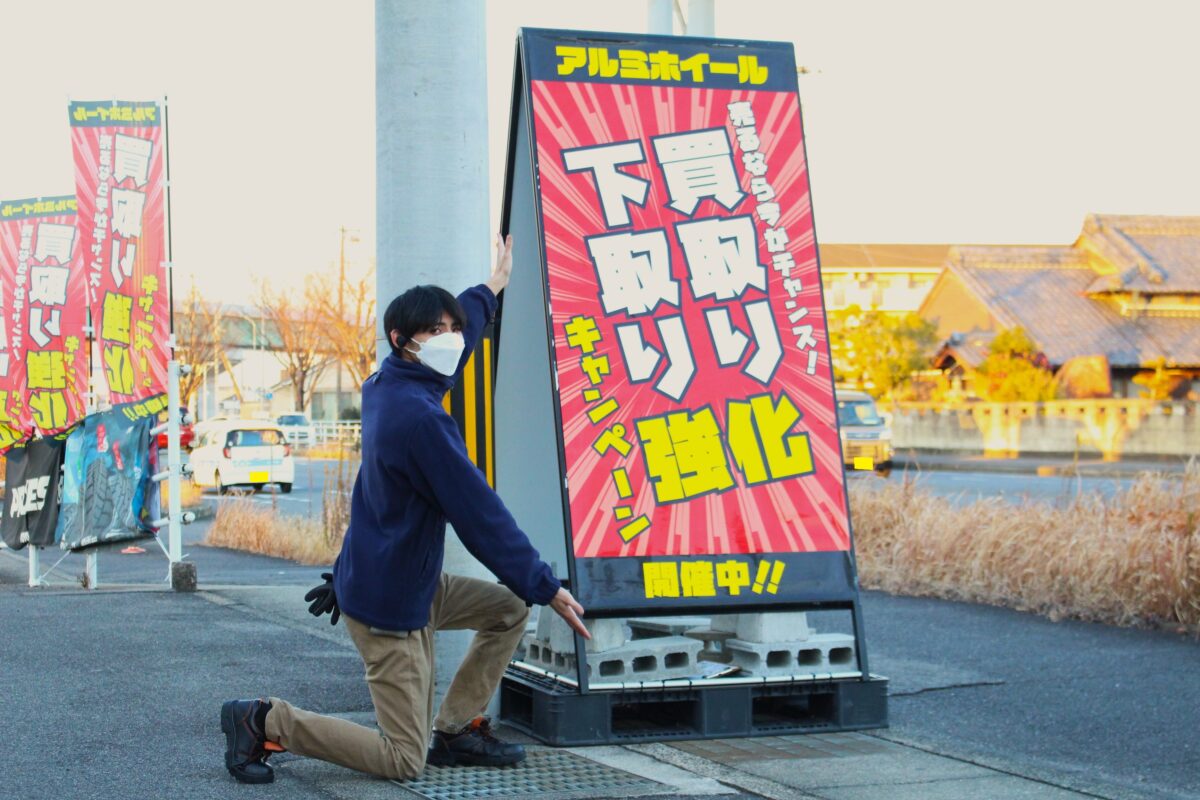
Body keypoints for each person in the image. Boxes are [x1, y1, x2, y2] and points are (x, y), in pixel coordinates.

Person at [221, 235, 589, 785]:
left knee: (509, 609)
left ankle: (457, 729)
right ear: (403, 340)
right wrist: (545, 584)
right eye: (435, 330)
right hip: (391, 606)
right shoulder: (421, 420)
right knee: (403, 759)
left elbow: (463, 335)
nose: (451, 339)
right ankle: (264, 720)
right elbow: (479, 514)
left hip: (403, 580)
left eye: (452, 327)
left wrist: (492, 286)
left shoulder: (388, 381)